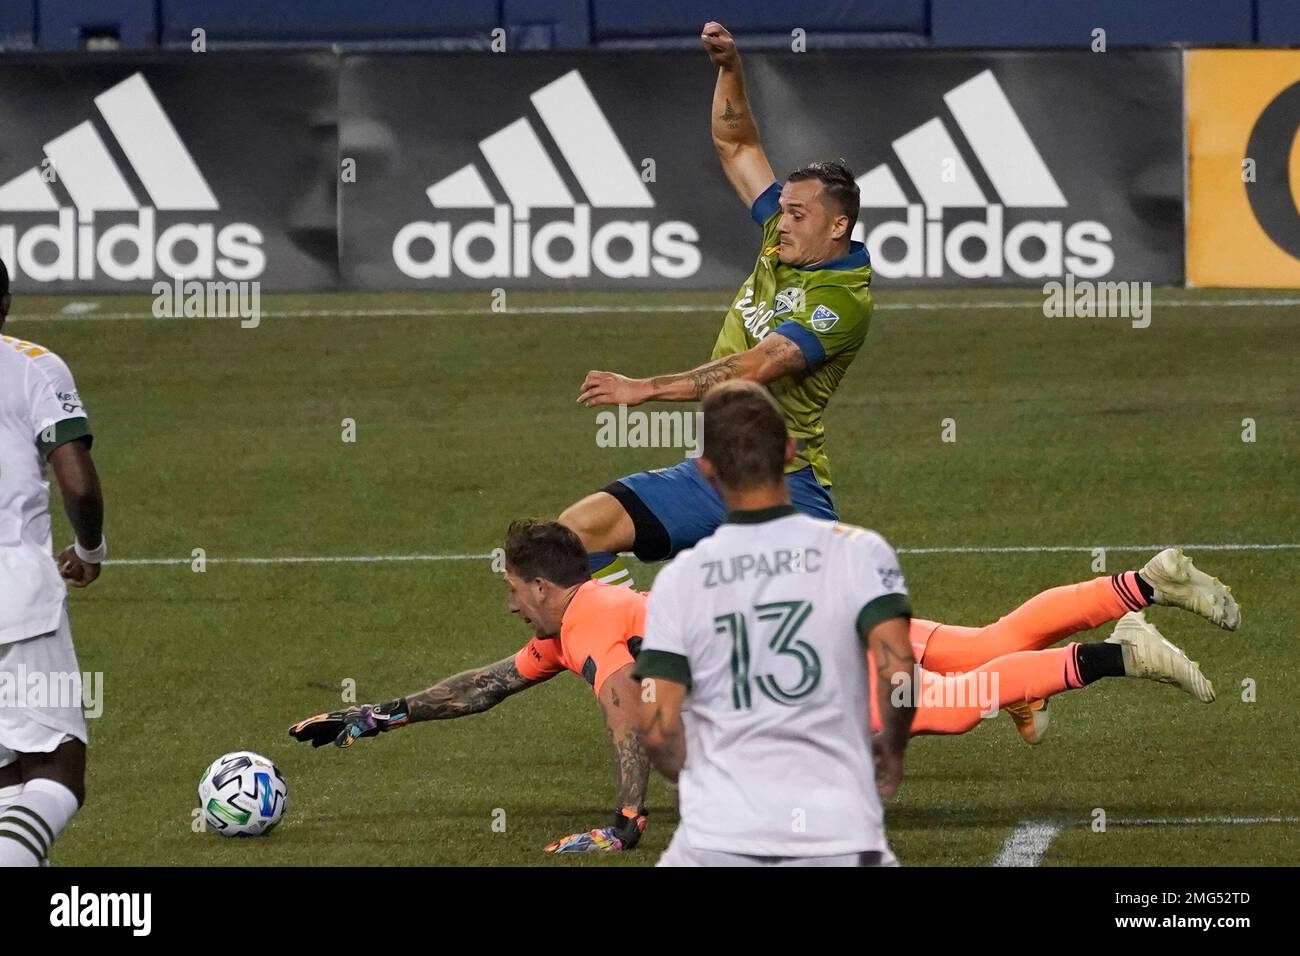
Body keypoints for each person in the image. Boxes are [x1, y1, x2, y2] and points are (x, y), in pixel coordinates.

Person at [561, 22, 875, 588]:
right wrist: (729, 68)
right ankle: (628, 650)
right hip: (707, 475)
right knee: (574, 538)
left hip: (785, 483)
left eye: (798, 215)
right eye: (784, 210)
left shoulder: (843, 301)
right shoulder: (784, 236)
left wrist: (645, 388)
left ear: (839, 225)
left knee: (832, 631)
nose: (783, 224)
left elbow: (756, 368)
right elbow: (737, 145)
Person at [635, 381, 916, 866]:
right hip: (838, 835)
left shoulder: (680, 580)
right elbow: (898, 672)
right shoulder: (858, 551)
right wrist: (892, 748)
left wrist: (702, 783)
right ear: (789, 451)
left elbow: (656, 729)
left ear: (704, 468)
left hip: (716, 841)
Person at [289, 518, 652, 853]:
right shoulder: (574, 622)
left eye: (513, 589)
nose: (512, 605)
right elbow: (485, 686)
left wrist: (624, 825)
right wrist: (374, 717)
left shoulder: (589, 622)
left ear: (540, 587)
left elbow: (628, 717)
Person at [0, 258, 106, 866]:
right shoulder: (33, 365)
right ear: (7, 301)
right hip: (15, 593)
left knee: (7, 785)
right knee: (58, 776)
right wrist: (91, 547)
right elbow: (79, 483)